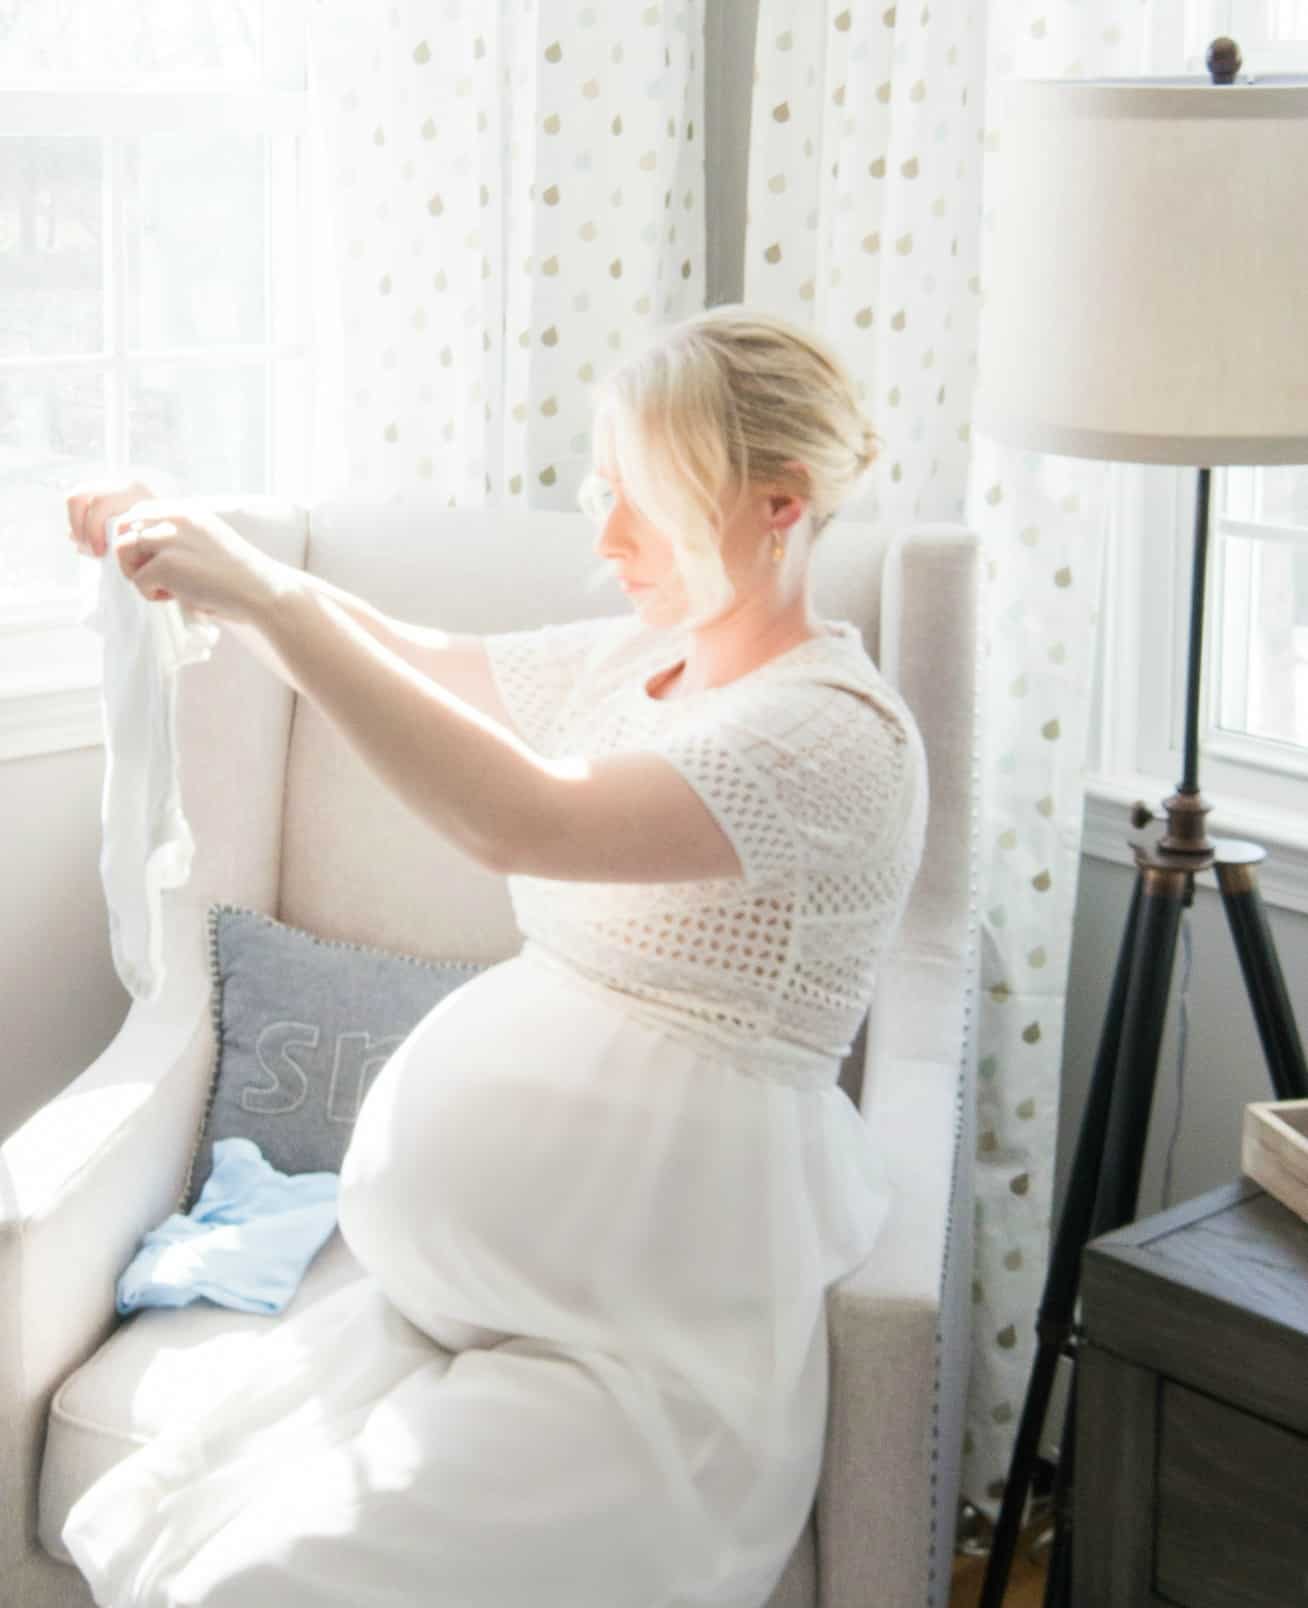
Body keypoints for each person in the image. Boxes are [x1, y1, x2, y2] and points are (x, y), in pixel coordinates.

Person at [58, 305, 929, 1608]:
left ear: (777, 507)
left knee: (273, 1587)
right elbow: (428, 667)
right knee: (213, 1554)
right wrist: (222, 566)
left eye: (646, 502)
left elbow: (523, 817)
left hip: (638, 1347)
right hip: (483, 1302)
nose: (607, 536)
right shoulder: (658, 656)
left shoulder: (829, 738)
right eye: (603, 490)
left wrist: (272, 598)